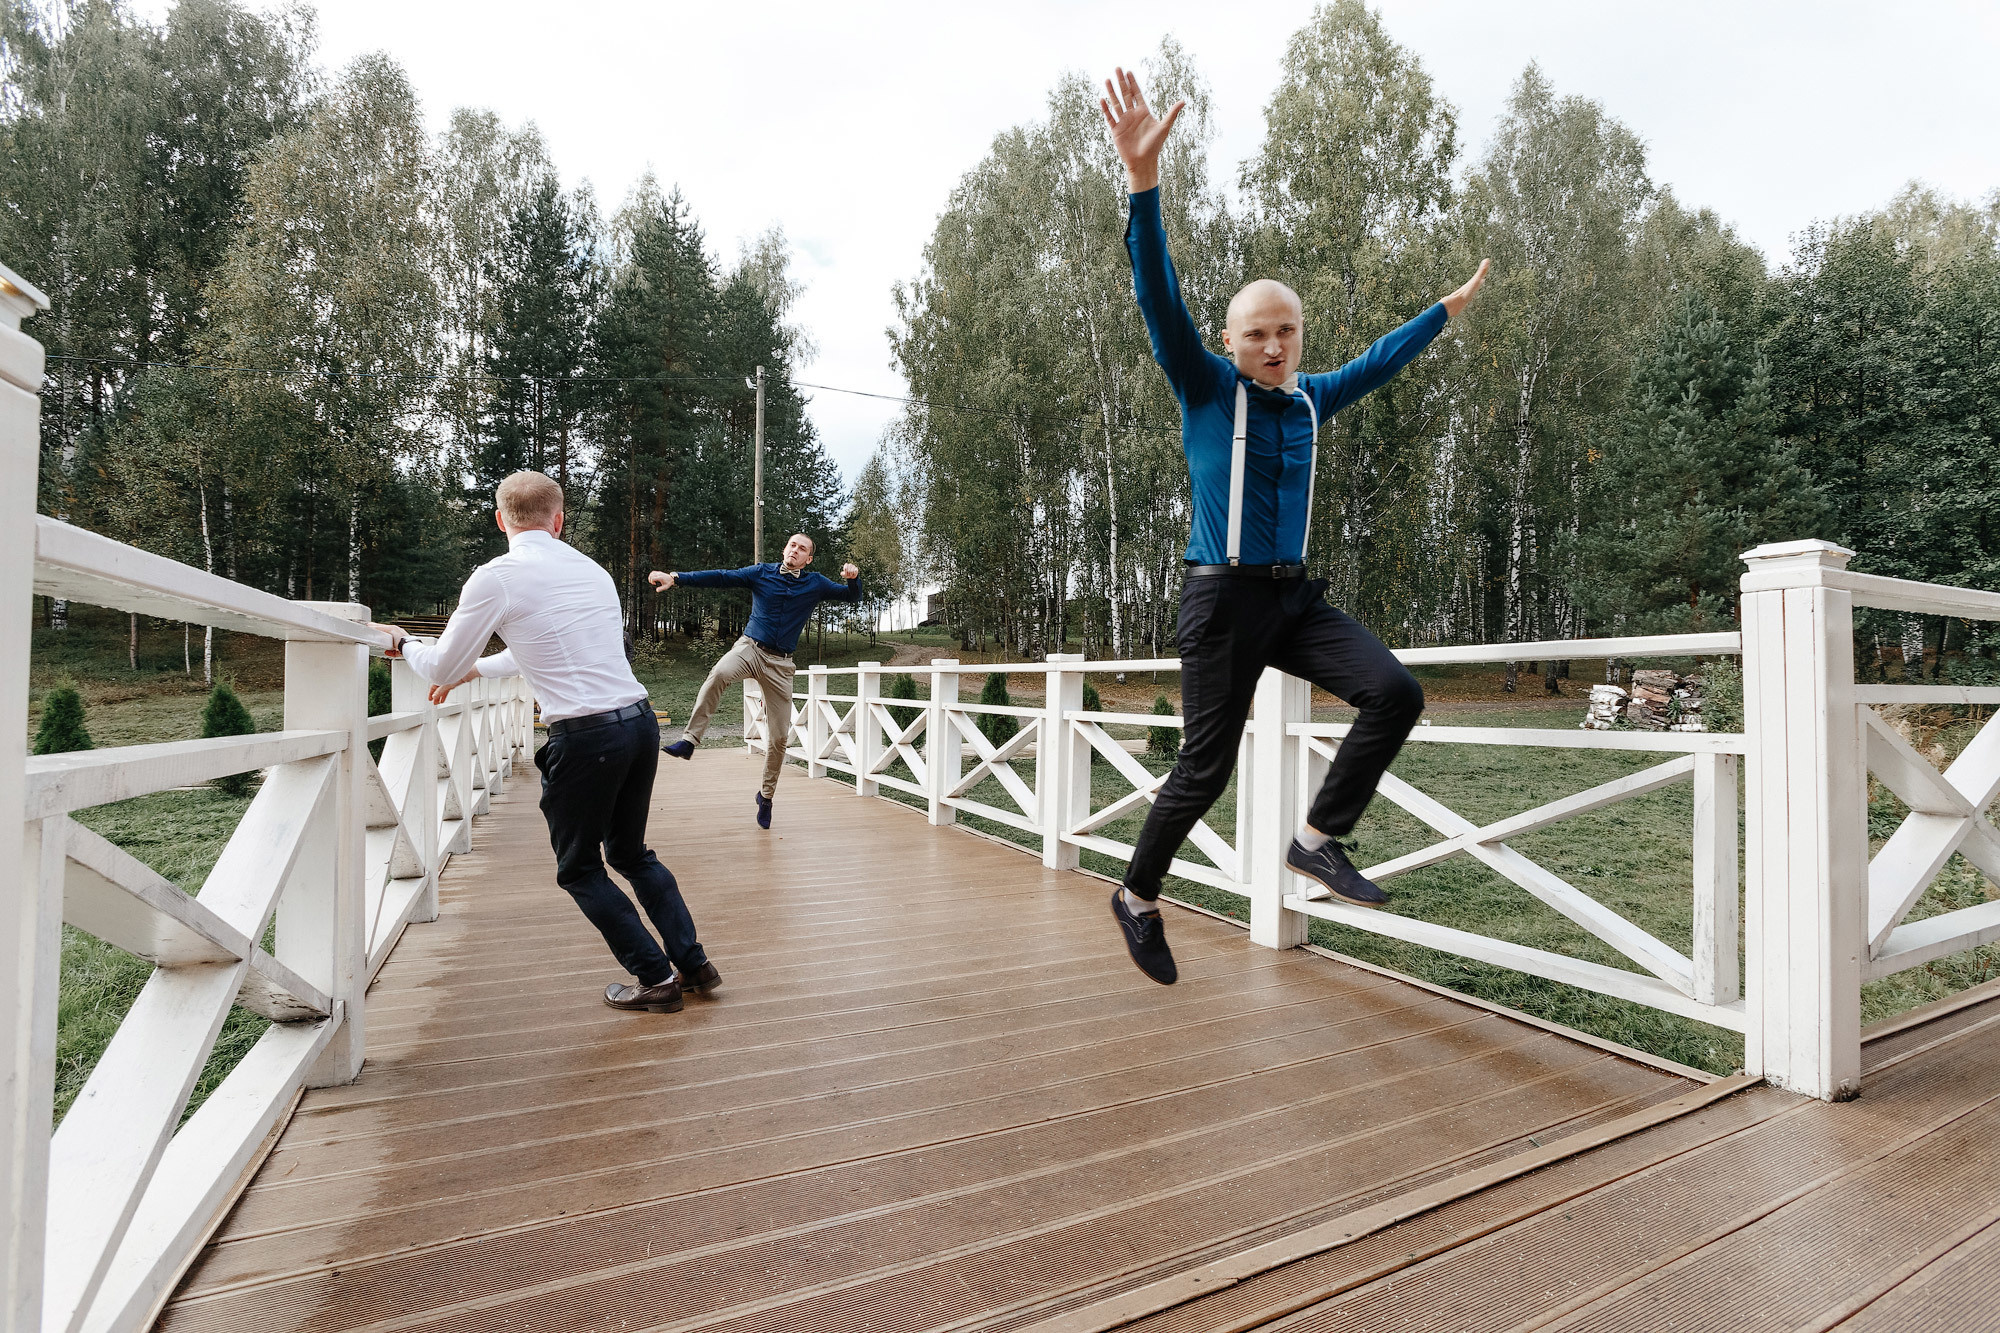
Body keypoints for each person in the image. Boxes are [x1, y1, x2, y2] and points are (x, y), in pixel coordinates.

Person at [1100, 67, 1490, 985]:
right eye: (1256, 334)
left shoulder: (1312, 399)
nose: (1274, 346)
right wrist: (1143, 184)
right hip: (1220, 603)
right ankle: (1136, 895)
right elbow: (1157, 296)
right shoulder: (1205, 386)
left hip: (1293, 601)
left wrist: (1442, 312)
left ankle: (1316, 839)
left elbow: (1378, 362)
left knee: (1395, 692)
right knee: (1204, 770)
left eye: (1287, 331)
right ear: (1230, 342)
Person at [371, 470, 717, 1015]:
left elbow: (438, 665)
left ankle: (656, 978)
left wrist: (404, 642)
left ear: (500, 519)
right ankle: (693, 965)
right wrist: (477, 669)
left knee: (579, 869)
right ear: (558, 521)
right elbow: (537, 645)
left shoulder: (496, 577)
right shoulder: (592, 571)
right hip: (639, 722)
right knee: (630, 853)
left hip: (588, 737)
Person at [651, 533, 861, 828]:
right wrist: (676, 578)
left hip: (781, 664)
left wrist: (853, 579)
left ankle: (766, 796)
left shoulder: (816, 583)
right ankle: (689, 740)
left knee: (779, 737)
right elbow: (722, 577)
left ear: (808, 559)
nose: (795, 550)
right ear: (785, 549)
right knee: (719, 674)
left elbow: (851, 597)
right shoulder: (761, 573)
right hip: (750, 648)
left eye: (802, 548)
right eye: (792, 545)